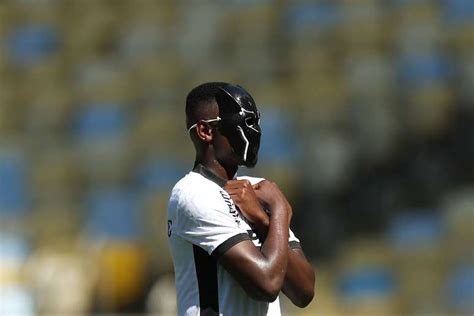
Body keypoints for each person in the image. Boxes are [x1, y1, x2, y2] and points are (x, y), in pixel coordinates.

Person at [167, 82, 315, 316]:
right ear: (205, 131)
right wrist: (279, 210)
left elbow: (304, 291)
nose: (253, 131)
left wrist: (266, 222)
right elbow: (267, 284)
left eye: (255, 121)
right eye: (243, 122)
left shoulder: (260, 189)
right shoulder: (193, 194)